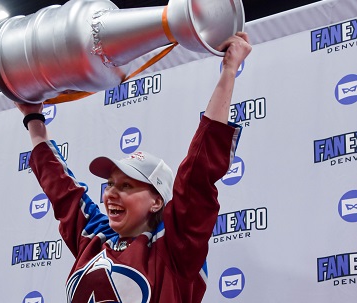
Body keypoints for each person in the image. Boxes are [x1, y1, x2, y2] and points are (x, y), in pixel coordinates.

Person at [16, 32, 252, 303]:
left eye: (127, 185)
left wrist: (229, 70)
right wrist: (33, 116)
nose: (110, 194)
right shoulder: (93, 237)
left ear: (156, 202)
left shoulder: (175, 246)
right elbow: (61, 189)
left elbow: (198, 174)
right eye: (111, 184)